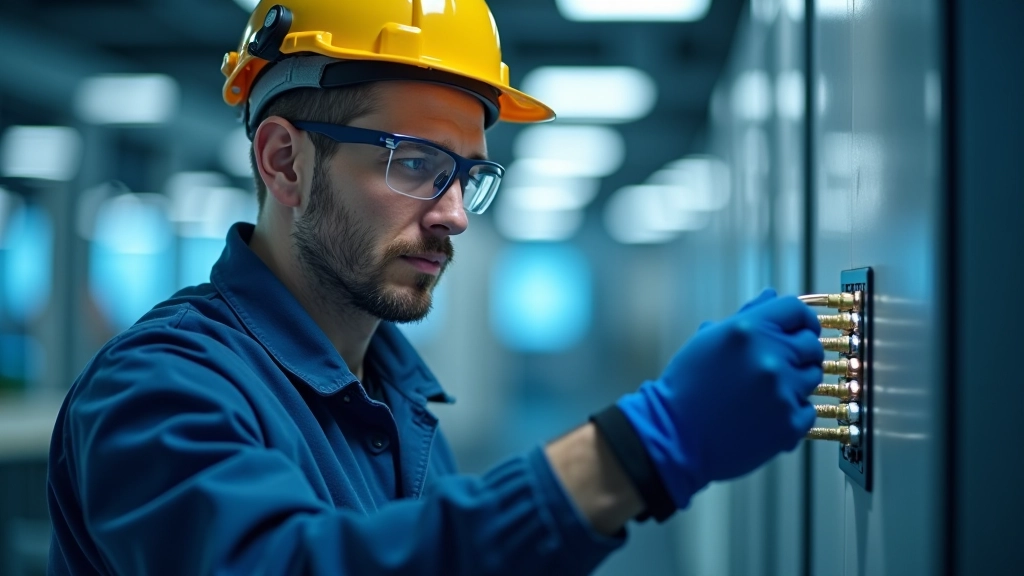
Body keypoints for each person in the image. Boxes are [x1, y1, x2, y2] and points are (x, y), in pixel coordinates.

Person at [45, 1, 825, 574]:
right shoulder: (158, 389)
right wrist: (635, 453)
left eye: (469, 175)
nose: (455, 214)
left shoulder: (395, 398)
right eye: (415, 164)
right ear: (283, 162)